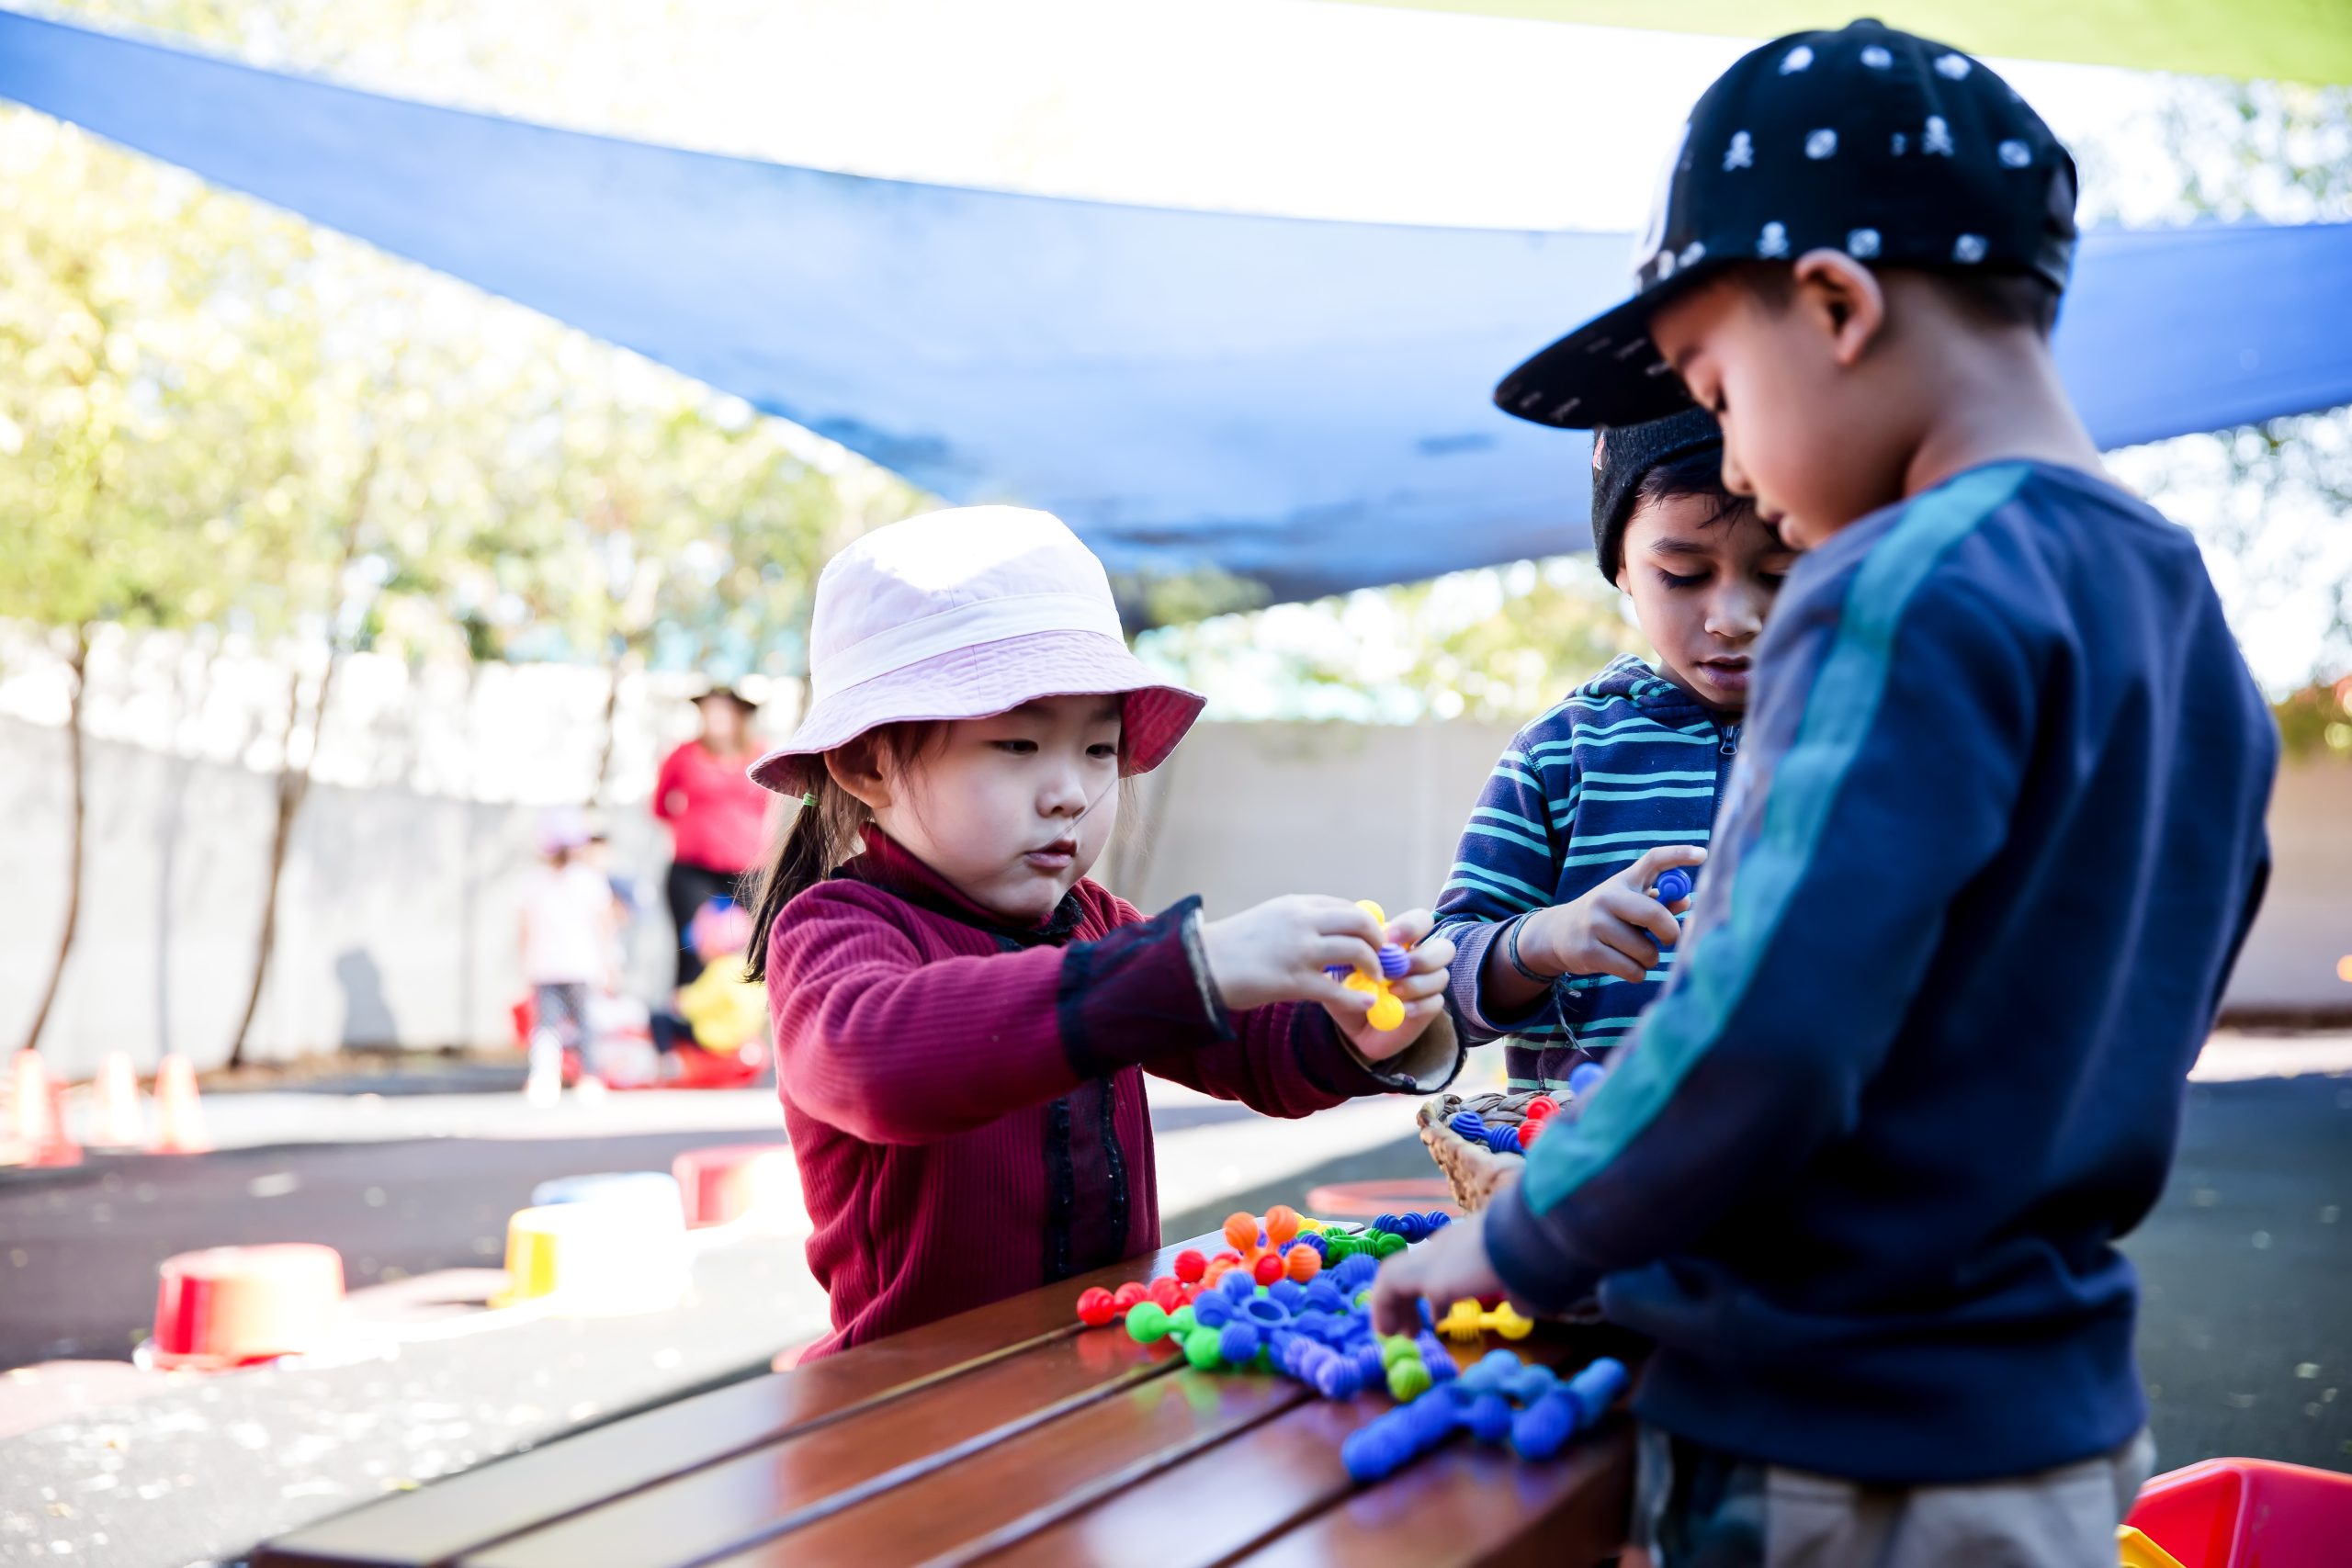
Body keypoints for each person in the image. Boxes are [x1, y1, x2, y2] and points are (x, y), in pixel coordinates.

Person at [1374, 22, 2278, 1565]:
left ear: (1837, 308)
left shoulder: (1888, 585)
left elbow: (1763, 1021)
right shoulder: (2171, 594)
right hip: (2050, 1403)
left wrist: (1521, 1236)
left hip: (1833, 1430)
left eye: (1718, 389)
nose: (1729, 451)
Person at [741, 505, 1464, 1359]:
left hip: (1096, 1360)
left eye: (1098, 750)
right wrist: (1194, 963)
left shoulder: (1091, 921)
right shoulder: (834, 929)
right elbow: (879, 1061)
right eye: (1017, 744)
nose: (1072, 793)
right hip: (911, 1397)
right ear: (867, 766)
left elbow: (1252, 1051)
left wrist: (1366, 1033)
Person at [1432, 408, 1792, 1089]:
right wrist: (1542, 941)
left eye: (1778, 571)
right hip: (1588, 1170)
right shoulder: (1560, 756)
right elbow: (1438, 984)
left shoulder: (1865, 745)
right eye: (1682, 574)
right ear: (1621, 566)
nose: (1731, 618)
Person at [652, 682, 768, 989]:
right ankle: (686, 1027)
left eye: (721, 710)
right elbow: (660, 805)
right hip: (692, 869)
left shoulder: (759, 753)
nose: (713, 717)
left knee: (747, 951)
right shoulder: (684, 754)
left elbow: (771, 804)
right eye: (708, 711)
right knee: (691, 948)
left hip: (747, 871)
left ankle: (738, 1029)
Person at [518, 807, 618, 1105]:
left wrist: (524, 962)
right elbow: (604, 926)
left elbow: (524, 928)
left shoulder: (534, 881)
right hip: (577, 966)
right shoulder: (587, 881)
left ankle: (550, 1077)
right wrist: (610, 961)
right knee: (582, 1023)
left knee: (550, 1026)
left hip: (551, 965)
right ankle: (584, 1077)